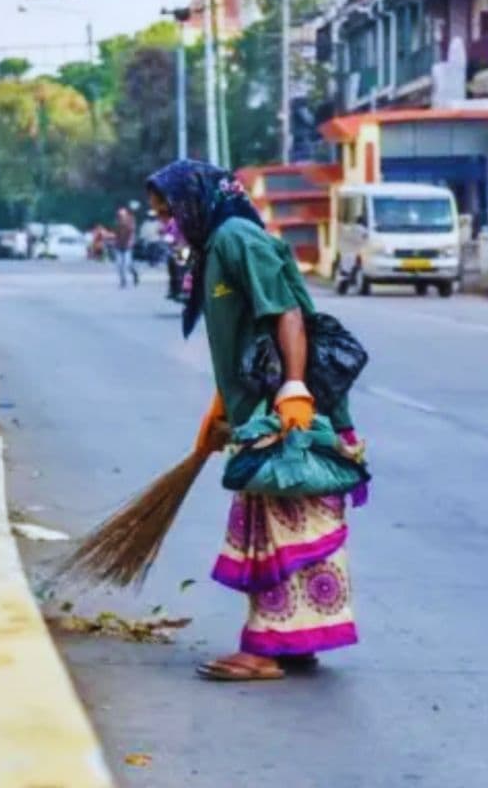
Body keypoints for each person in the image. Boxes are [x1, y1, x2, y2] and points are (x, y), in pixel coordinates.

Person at [147, 160, 363, 682]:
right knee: (287, 523)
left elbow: (286, 311)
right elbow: (241, 338)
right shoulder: (214, 247)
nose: (167, 225)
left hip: (284, 410)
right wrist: (222, 405)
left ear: (195, 202)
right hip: (255, 410)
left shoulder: (235, 238)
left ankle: (264, 650)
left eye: (170, 212)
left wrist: (294, 387)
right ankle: (295, 643)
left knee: (274, 531)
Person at [114, 206, 139, 288]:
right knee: (119, 264)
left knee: (127, 264)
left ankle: (134, 273)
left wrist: (130, 242)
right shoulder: (117, 222)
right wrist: (114, 241)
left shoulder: (131, 221)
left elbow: (132, 233)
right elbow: (117, 234)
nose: (120, 217)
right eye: (119, 215)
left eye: (122, 215)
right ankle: (123, 281)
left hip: (127, 246)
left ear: (126, 215)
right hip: (119, 245)